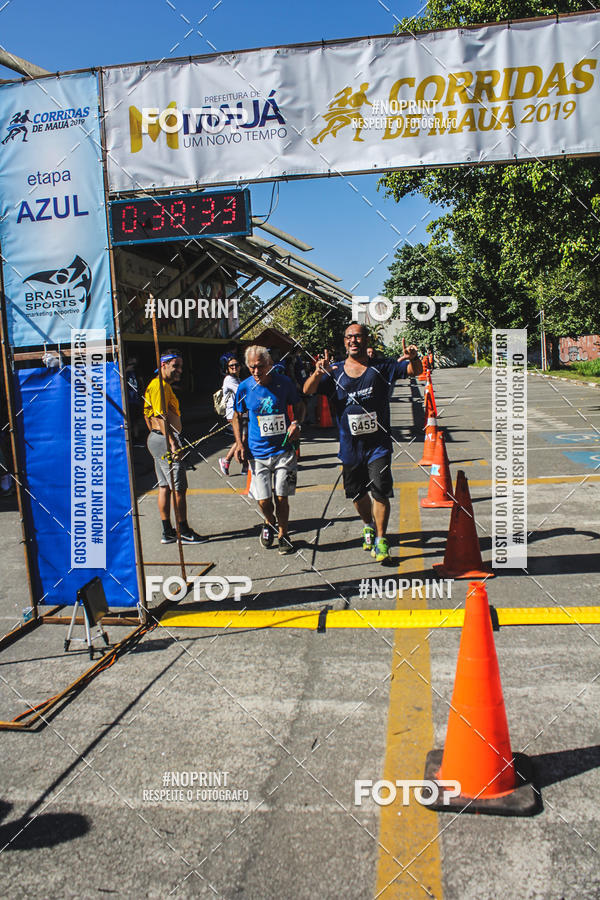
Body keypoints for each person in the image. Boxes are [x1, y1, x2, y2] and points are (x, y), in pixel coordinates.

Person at [303, 323, 422, 563]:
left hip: (378, 445)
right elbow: (307, 391)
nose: (353, 341)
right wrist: (317, 373)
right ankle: (367, 524)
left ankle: (381, 539)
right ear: (344, 341)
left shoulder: (381, 367)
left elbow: (413, 370)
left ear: (367, 340)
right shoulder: (334, 371)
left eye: (358, 337)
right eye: (349, 337)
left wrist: (414, 358)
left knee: (380, 491)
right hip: (349, 447)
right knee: (357, 495)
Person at [232, 345, 305, 554]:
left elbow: (299, 405)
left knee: (282, 496)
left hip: (284, 450)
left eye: (260, 366)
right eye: (252, 367)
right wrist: (239, 443)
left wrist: (297, 422)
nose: (256, 371)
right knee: (264, 500)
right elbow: (237, 416)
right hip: (258, 453)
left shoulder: (284, 383)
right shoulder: (245, 388)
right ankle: (269, 521)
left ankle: (284, 534)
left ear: (269, 365)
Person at [143, 349, 203, 544]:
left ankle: (167, 531)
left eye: (181, 366)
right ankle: (183, 530)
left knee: (164, 486)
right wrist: (172, 442)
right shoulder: (159, 386)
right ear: (164, 365)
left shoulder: (158, 386)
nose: (179, 370)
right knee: (178, 487)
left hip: (158, 438)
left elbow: (148, 415)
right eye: (175, 366)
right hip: (165, 441)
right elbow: (160, 417)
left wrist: (156, 435)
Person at [218, 357, 247, 476]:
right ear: (227, 369)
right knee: (242, 437)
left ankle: (244, 465)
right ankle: (227, 460)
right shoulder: (229, 379)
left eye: (236, 364)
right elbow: (242, 392)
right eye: (231, 366)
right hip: (232, 413)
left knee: (244, 437)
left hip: (241, 412)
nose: (234, 367)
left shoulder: (238, 379)